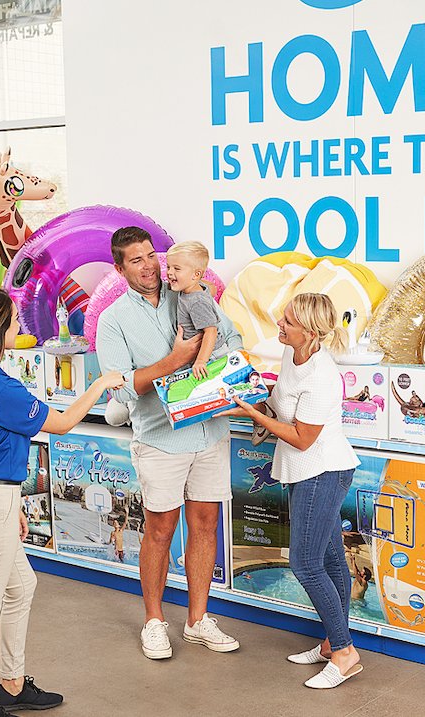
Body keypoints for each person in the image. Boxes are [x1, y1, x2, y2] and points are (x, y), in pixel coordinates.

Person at [0, 285, 123, 717]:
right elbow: (61, 423)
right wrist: (100, 383)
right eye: (12, 320)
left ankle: (11, 684)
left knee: (22, 585)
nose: (19, 326)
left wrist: (16, 506)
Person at [96, 227, 241, 660]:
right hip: (160, 440)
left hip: (210, 431)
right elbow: (122, 388)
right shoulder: (113, 320)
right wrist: (176, 360)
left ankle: (198, 620)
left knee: (206, 524)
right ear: (119, 269)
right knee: (160, 530)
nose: (148, 267)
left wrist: (212, 362)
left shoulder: (190, 293)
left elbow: (232, 339)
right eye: (136, 260)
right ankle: (154, 621)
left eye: (150, 256)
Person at [219, 293, 362, 689]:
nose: (279, 325)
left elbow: (302, 437)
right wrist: (254, 402)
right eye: (282, 317)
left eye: (288, 322)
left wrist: (253, 414)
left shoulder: (322, 375)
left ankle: (346, 653)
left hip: (323, 471)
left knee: (305, 564)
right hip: (306, 472)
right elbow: (281, 407)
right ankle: (333, 643)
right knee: (330, 559)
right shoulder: (291, 354)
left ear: (310, 332)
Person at [166, 241, 227, 378]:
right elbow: (211, 288)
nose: (169, 272)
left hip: (211, 355)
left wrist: (201, 361)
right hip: (202, 353)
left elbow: (211, 331)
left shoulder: (196, 301)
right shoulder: (194, 286)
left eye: (177, 269)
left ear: (196, 274)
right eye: (168, 267)